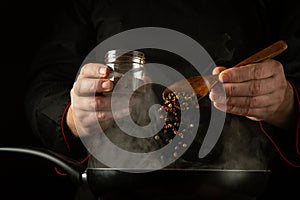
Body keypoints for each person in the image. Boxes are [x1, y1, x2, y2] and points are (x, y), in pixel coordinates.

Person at [24, 0, 300, 199]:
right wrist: (75, 116)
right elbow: (45, 87)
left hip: (240, 186)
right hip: (117, 188)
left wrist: (286, 102)